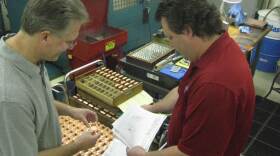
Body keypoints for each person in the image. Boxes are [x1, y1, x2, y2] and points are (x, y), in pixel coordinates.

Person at [127, 0, 255, 156]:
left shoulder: (215, 85)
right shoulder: (214, 48)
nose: (171, 45)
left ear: (188, 31)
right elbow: (183, 91)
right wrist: (153, 109)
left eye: (171, 37)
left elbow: (191, 154)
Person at [0, 0, 101, 155]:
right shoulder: (10, 98)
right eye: (69, 42)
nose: (71, 47)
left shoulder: (30, 55)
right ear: (45, 37)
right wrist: (77, 146)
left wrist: (70, 110)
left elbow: (37, 100)